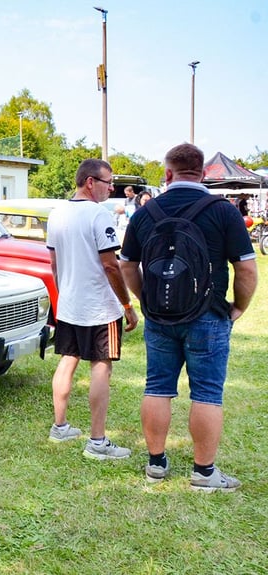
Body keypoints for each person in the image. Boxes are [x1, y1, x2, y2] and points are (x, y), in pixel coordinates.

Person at [120, 143, 257, 491]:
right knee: (208, 392)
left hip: (159, 316)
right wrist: (238, 307)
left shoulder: (145, 213)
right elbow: (246, 269)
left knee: (157, 387)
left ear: (168, 173)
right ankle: (204, 472)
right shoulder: (223, 211)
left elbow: (126, 265)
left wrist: (144, 298)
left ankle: (155, 464)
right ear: (203, 173)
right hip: (209, 314)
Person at [45, 158, 138, 460]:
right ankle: (97, 442)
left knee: (68, 360)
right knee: (102, 366)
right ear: (89, 182)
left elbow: (54, 263)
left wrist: (65, 293)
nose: (112, 188)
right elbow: (111, 265)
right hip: (100, 307)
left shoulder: (56, 214)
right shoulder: (100, 215)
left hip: (70, 303)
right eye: (108, 182)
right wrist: (127, 304)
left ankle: (60, 427)